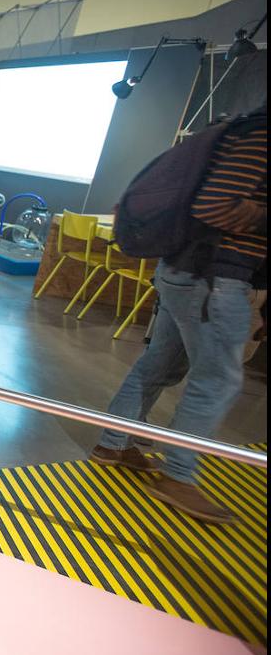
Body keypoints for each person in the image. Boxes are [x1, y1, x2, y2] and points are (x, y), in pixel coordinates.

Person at [90, 107, 267, 524]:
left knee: (159, 364)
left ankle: (112, 444)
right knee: (219, 379)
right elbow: (215, 206)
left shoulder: (242, 128)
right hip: (214, 279)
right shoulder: (261, 135)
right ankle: (178, 476)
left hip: (187, 272)